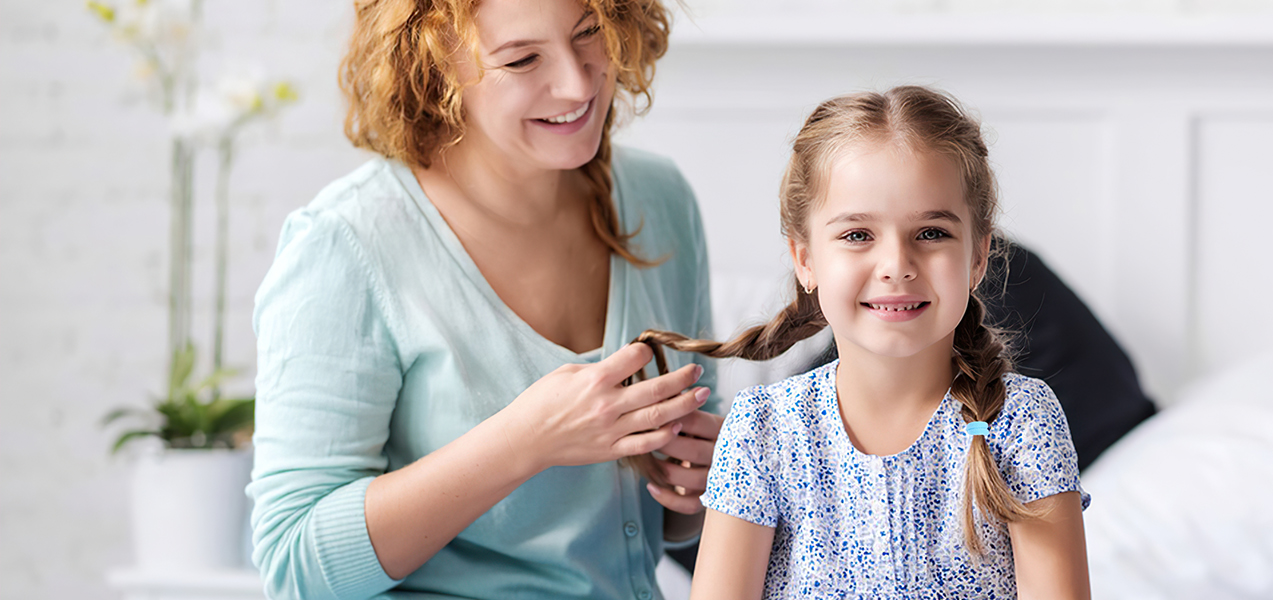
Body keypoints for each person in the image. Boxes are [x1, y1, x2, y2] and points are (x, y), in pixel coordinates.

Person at [247, 0, 722, 598]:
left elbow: (674, 524)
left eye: (589, 34)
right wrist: (525, 441)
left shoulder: (661, 199)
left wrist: (696, 482)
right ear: (432, 66)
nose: (577, 82)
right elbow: (295, 567)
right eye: (522, 60)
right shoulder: (347, 245)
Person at [637, 86, 1091, 598]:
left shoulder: (1024, 422)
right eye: (857, 235)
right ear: (805, 259)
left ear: (979, 256)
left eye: (932, 233)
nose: (896, 265)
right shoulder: (762, 431)